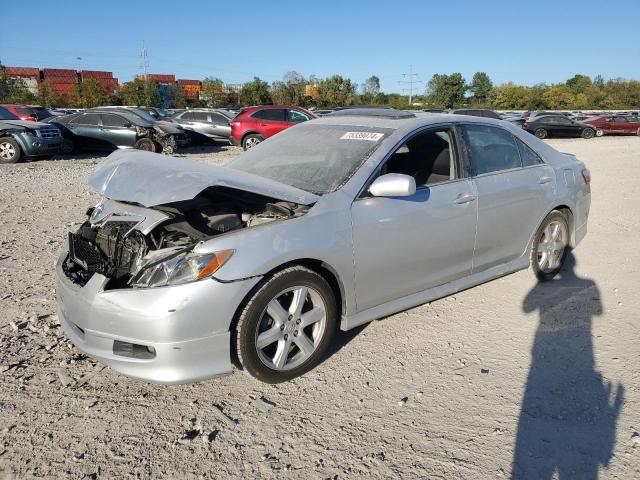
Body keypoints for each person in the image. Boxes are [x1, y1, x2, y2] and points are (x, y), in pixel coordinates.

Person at [512, 253, 623, 479]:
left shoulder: (557, 283)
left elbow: (526, 307)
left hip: (542, 354)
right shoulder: (589, 284)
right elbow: (599, 311)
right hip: (583, 353)